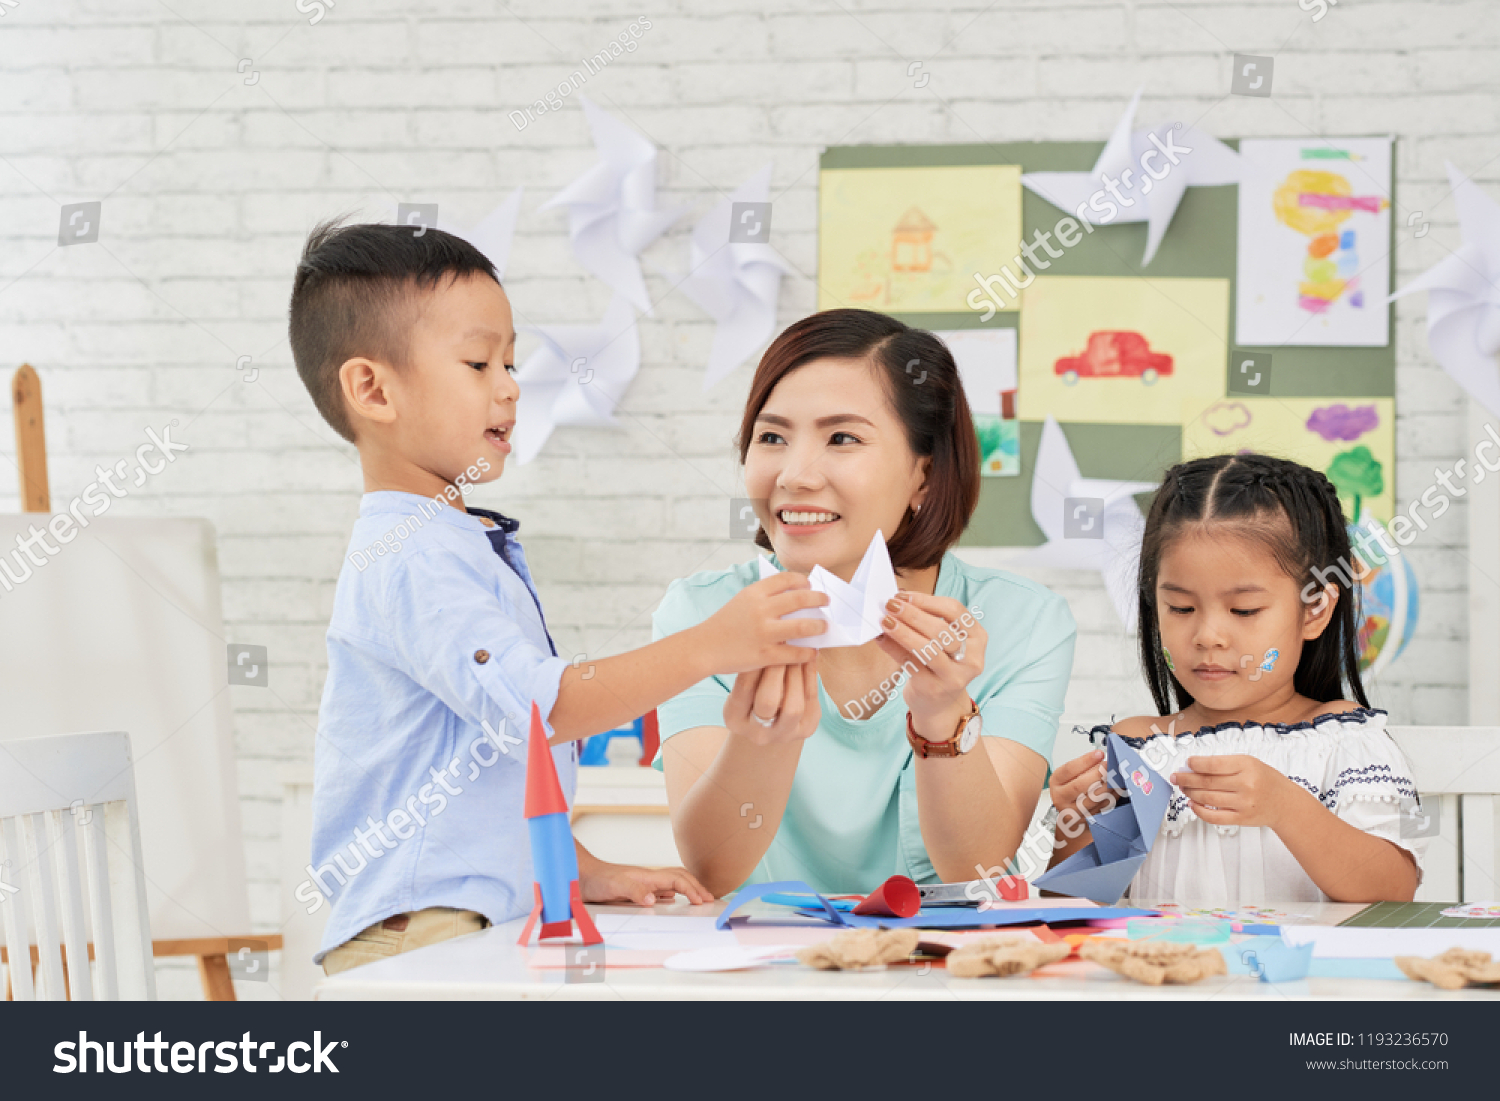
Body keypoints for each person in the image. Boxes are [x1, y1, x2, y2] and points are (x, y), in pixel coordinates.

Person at [289, 219, 830, 973]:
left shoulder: (454, 541)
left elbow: (492, 765)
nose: (510, 385)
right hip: (418, 937)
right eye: (479, 362)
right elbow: (541, 708)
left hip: (463, 925)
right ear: (373, 388)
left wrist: (579, 867)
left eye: (509, 361)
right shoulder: (411, 554)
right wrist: (713, 642)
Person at [653, 308, 1077, 896]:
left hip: (941, 972)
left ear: (923, 475)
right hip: (759, 966)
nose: (796, 476)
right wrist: (763, 735)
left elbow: (976, 870)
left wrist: (941, 710)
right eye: (771, 437)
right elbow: (712, 870)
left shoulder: (1024, 622)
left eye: (843, 438)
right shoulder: (700, 616)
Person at [1048, 453, 1424, 904]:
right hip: (1163, 971)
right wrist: (1074, 822)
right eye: (1181, 608)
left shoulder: (1343, 741)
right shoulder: (1135, 750)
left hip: (1307, 975)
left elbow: (1392, 891)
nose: (1208, 637)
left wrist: (1287, 808)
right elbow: (1071, 907)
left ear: (1315, 609)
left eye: (1244, 610)